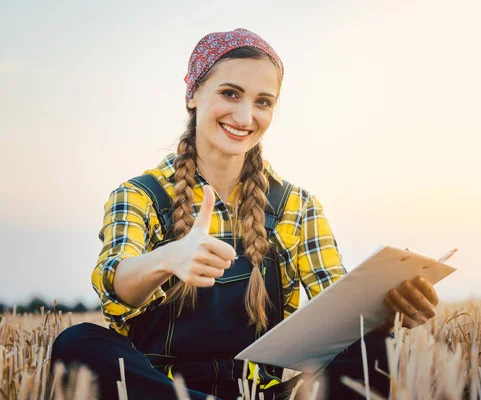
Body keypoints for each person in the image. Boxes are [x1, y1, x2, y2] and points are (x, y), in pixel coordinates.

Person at [50, 28, 440, 400]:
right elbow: (114, 286)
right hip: (158, 389)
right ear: (193, 94)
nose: (244, 116)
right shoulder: (139, 195)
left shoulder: (296, 206)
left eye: (263, 102)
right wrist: (167, 258)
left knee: (371, 345)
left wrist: (387, 313)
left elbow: (337, 313)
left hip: (263, 393)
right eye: (230, 93)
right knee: (78, 343)